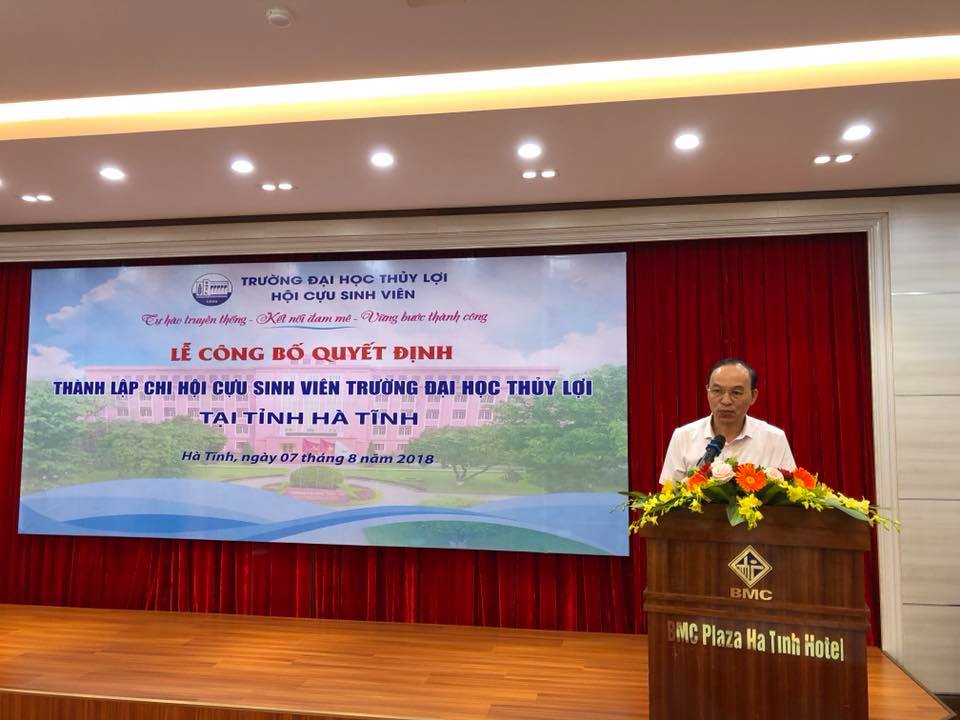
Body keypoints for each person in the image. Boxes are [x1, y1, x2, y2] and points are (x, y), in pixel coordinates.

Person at [659, 358, 796, 484]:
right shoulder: (683, 437)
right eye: (717, 391)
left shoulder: (774, 439)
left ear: (753, 396)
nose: (726, 401)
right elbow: (669, 494)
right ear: (707, 392)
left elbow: (790, 492)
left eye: (736, 393)